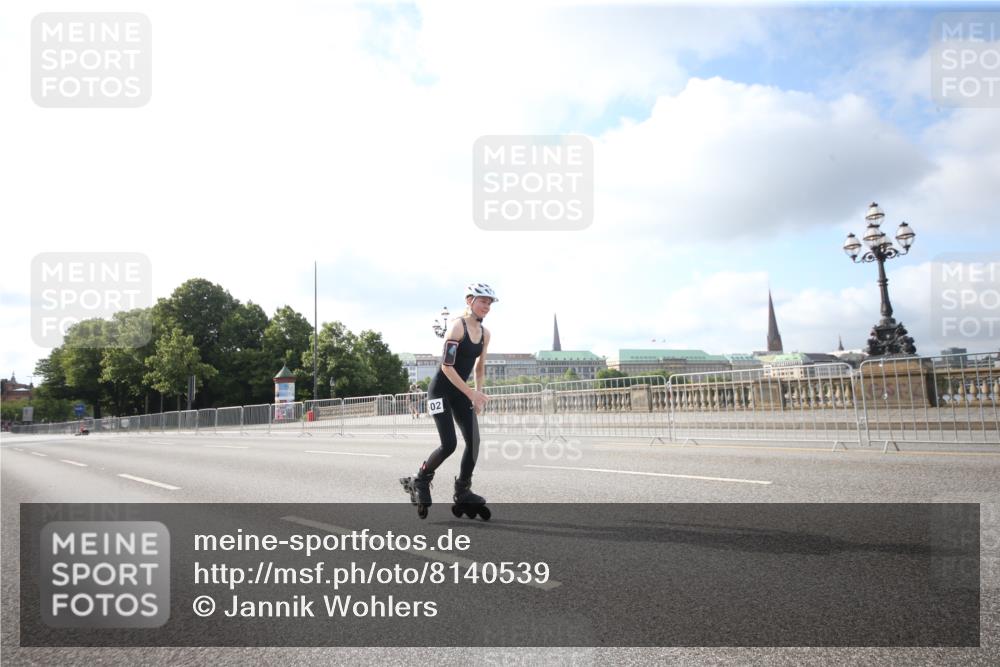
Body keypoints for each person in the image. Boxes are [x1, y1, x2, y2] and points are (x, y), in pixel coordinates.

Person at [403, 283, 496, 518]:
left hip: (461, 392)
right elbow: (446, 366)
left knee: (474, 442)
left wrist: (478, 394)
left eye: (489, 302)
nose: (487, 306)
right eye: (483, 300)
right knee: (449, 444)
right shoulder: (457, 326)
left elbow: (480, 367)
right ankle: (421, 479)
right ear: (470, 301)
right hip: (440, 391)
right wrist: (470, 393)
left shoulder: (485, 334)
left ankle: (463, 490)